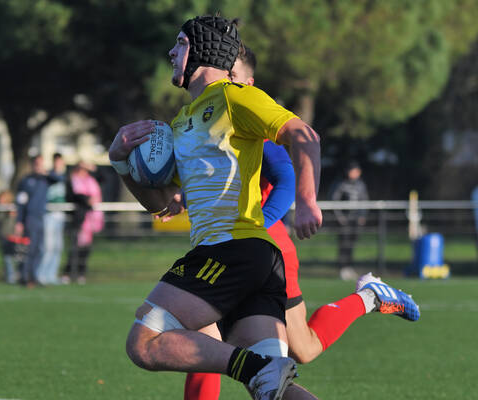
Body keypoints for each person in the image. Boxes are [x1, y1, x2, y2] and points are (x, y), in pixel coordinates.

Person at [183, 46, 421, 400]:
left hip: (263, 247)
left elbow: (286, 176)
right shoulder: (203, 124)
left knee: (289, 351)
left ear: (247, 84)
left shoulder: (249, 121)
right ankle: (369, 297)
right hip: (228, 247)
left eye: (230, 76)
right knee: (211, 347)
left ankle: (368, 298)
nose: (221, 81)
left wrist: (259, 223)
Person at [109, 15, 323, 399]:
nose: (172, 52)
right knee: (272, 391)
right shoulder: (181, 121)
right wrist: (123, 164)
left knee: (144, 342)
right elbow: (162, 205)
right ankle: (262, 369)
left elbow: (303, 135)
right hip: (251, 259)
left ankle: (258, 367)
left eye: (179, 43)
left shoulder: (233, 95)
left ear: (202, 50)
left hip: (231, 248)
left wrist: (307, 201)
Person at [15, 155, 56, 288]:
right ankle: (25, 276)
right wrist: (19, 221)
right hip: (30, 218)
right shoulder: (26, 181)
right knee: (30, 249)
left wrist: (47, 172)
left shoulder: (45, 179)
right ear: (32, 165)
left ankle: (34, 275)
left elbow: (60, 178)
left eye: (41, 164)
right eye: (37, 164)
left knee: (39, 249)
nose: (39, 166)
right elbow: (20, 202)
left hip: (41, 217)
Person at [62, 162, 104, 284]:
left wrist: (93, 168)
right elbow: (74, 195)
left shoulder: (91, 180)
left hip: (91, 219)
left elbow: (103, 178)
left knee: (86, 248)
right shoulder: (73, 180)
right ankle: (68, 272)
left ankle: (81, 273)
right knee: (75, 247)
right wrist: (87, 200)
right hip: (80, 218)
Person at [331, 161, 369, 280]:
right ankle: (343, 268)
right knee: (344, 244)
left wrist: (362, 215)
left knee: (351, 244)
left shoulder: (360, 184)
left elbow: (364, 200)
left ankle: (349, 267)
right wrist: (340, 217)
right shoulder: (340, 184)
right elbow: (333, 200)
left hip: (355, 220)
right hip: (344, 221)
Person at [37, 153, 67, 285]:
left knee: (57, 247)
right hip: (49, 214)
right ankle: (41, 274)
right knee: (48, 246)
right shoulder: (49, 176)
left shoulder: (64, 176)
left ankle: (52, 275)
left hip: (60, 214)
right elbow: (55, 178)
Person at [0, 190, 20, 284]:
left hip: (14, 236)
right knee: (7, 257)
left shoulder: (14, 207)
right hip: (4, 235)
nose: (1, 200)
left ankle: (18, 275)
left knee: (18, 257)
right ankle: (10, 277)